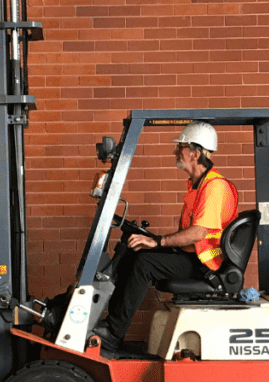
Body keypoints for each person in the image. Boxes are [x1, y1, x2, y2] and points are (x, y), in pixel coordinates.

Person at [91, 121, 239, 354]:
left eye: (180, 146)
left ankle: (113, 332)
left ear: (195, 153)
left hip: (206, 264)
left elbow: (198, 232)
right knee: (134, 252)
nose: (175, 151)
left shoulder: (214, 187)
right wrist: (149, 240)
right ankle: (111, 326)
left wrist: (158, 241)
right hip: (193, 256)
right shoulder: (197, 185)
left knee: (144, 264)